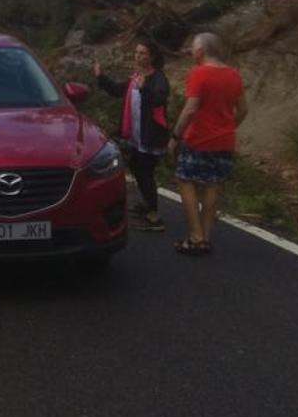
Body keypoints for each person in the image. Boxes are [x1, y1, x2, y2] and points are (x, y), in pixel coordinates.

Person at [168, 32, 247, 256]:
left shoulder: (199, 73)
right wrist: (228, 127)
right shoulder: (234, 75)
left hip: (199, 140)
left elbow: (191, 109)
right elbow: (244, 110)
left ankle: (195, 237)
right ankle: (205, 237)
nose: (192, 53)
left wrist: (175, 136)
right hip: (224, 141)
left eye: (193, 49)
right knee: (212, 185)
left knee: (185, 180)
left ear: (201, 51)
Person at [94, 41, 170, 232]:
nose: (138, 56)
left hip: (151, 137)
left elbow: (159, 99)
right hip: (136, 135)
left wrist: (144, 88)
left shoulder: (158, 78)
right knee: (137, 168)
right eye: (136, 53)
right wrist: (101, 77)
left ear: (151, 57)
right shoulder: (135, 77)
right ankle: (148, 205)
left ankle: (154, 216)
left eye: (143, 53)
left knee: (145, 172)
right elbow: (117, 90)